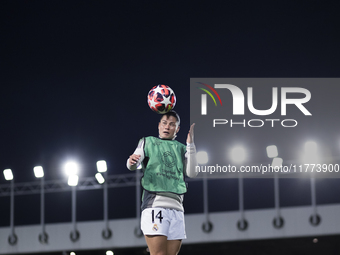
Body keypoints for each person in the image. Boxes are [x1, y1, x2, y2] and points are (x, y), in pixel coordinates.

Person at [127, 110, 198, 255]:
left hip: (177, 208)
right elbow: (133, 164)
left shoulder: (182, 148)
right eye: (164, 123)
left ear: (177, 129)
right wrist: (131, 161)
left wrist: (190, 145)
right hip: (155, 204)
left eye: (172, 125)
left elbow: (193, 173)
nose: (167, 127)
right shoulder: (148, 142)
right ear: (159, 125)